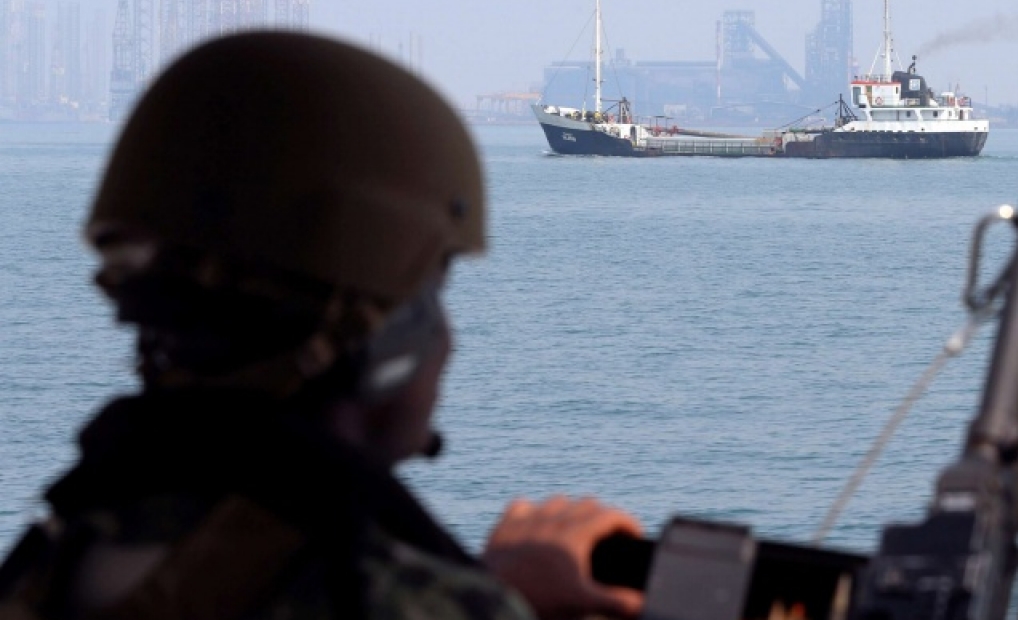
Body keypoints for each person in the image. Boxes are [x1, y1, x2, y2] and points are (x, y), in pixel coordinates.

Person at [0, 32, 645, 620]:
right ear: (381, 342)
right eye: (430, 293)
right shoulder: (388, 598)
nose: (448, 341)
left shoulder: (52, 565)